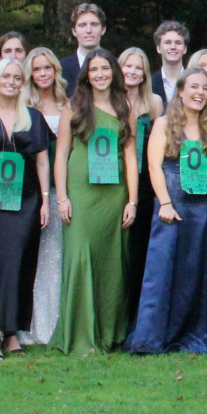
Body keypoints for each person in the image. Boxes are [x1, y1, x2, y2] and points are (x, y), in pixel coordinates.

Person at [127, 68, 207, 355]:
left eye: (205, 88)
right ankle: (152, 337)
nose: (199, 93)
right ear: (181, 91)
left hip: (200, 209)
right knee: (163, 273)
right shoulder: (163, 123)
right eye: (193, 87)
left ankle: (195, 335)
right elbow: (153, 166)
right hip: (171, 208)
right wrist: (165, 203)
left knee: (195, 274)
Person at [0, 57, 54, 359]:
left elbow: (42, 161)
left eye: (17, 78)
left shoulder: (34, 118)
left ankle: (13, 331)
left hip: (25, 199)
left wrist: (45, 200)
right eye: (6, 76)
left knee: (19, 261)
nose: (11, 82)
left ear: (23, 83)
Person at [53, 47, 138, 355]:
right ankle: (79, 334)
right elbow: (61, 154)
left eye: (105, 68)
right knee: (80, 256)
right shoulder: (73, 107)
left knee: (111, 261)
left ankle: (110, 332)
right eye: (94, 69)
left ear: (113, 72)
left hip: (114, 194)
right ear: (86, 75)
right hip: (80, 192)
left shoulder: (125, 107)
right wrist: (62, 197)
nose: (100, 74)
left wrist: (132, 201)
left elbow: (130, 156)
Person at [18, 48, 69, 348]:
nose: (43, 74)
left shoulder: (68, 105)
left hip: (61, 188)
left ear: (55, 70)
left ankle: (55, 324)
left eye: (47, 68)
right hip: (29, 189)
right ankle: (30, 323)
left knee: (56, 255)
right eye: (36, 69)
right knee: (33, 257)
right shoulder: (22, 106)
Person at [120, 48, 167, 324]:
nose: (133, 72)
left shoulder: (155, 102)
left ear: (145, 73)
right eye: (128, 66)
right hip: (116, 180)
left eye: (138, 67)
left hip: (147, 183)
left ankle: (137, 316)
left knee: (140, 248)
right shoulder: (111, 101)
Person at [58, 4, 108, 96]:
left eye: (94, 24)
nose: (88, 30)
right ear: (74, 31)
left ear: (103, 29)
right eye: (82, 25)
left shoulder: (117, 65)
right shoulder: (60, 69)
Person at [152, 21, 190, 105]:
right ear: (158, 48)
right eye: (167, 42)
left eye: (178, 43)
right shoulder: (149, 84)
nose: (173, 47)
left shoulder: (193, 81)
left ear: (185, 49)